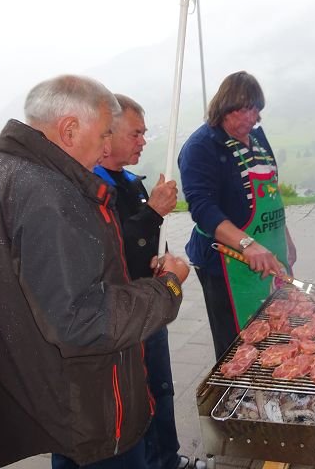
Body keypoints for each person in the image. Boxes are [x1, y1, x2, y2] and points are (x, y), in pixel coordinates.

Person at [0, 75, 189, 469]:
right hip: (88, 400)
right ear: (69, 129)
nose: (107, 147)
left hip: (44, 391)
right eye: (104, 134)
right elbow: (83, 320)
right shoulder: (52, 195)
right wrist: (167, 288)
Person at [89, 94, 192, 469]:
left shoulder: (132, 183)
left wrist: (162, 260)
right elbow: (109, 250)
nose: (143, 142)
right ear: (108, 133)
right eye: (135, 134)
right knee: (136, 397)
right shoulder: (91, 187)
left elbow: (144, 244)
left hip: (150, 302)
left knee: (161, 387)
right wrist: (152, 212)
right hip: (122, 314)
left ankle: (168, 458)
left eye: (144, 133)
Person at [179, 71, 296, 360]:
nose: (250, 118)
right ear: (223, 106)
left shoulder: (257, 139)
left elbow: (272, 193)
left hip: (270, 253)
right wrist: (247, 244)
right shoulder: (201, 147)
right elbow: (202, 208)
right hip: (226, 262)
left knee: (279, 330)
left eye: (255, 109)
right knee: (238, 347)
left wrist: (285, 239)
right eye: (241, 110)